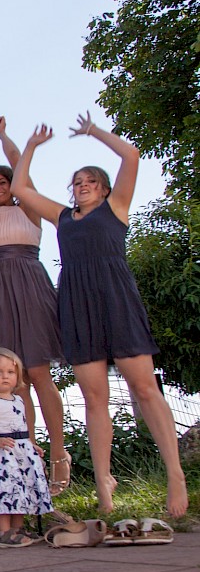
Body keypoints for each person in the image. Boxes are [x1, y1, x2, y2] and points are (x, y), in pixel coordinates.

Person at [10, 114, 188, 518]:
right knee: (94, 397)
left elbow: (132, 155)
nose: (82, 185)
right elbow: (21, 188)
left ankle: (174, 473)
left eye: (90, 180)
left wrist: (93, 132)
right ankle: (104, 482)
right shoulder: (62, 218)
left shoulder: (116, 208)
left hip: (117, 299)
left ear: (104, 188)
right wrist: (32, 147)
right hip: (77, 304)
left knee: (144, 388)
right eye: (76, 182)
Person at [0, 117, 70, 495]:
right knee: (16, 381)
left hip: (30, 286)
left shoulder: (29, 210)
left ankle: (60, 455)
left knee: (40, 373)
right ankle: (27, 455)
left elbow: (22, 172)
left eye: (4, 182)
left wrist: (4, 137)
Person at [0, 348, 52, 548]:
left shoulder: (20, 400)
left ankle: (18, 528)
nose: (4, 376)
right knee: (4, 490)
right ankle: (4, 532)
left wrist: (31, 444)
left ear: (18, 375)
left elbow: (21, 426)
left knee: (20, 489)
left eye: (10, 372)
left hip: (20, 453)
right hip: (0, 455)